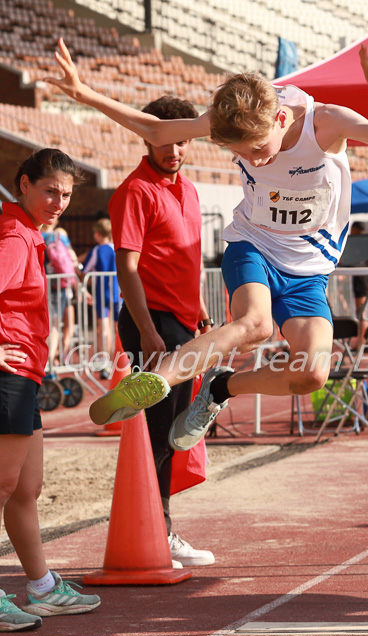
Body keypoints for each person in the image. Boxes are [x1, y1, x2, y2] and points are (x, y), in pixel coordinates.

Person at [47, 20, 368, 451]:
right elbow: (155, 130)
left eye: (258, 150)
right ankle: (155, 381)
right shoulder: (230, 119)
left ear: (281, 119)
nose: (253, 162)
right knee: (255, 324)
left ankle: (223, 387)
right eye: (241, 155)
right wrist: (83, 94)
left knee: (311, 374)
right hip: (254, 246)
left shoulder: (327, 124)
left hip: (309, 270)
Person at [108, 96, 215, 567]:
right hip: (152, 322)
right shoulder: (134, 192)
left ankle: (161, 528)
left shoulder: (188, 190)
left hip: (182, 320)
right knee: (157, 430)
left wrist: (200, 308)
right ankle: (156, 533)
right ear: (145, 136)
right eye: (164, 140)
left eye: (183, 140)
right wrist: (150, 331)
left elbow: (182, 259)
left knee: (174, 427)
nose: (174, 149)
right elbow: (127, 269)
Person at [0, 148, 101, 632]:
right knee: (1, 485)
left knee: (25, 488)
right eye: (49, 191)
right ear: (23, 185)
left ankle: (40, 587)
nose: (58, 201)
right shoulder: (15, 236)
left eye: (66, 194)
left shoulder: (29, 234)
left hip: (27, 374)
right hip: (8, 374)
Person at [81, 218, 120, 378]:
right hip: (119, 293)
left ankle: (104, 360)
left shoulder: (97, 250)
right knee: (117, 329)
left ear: (97, 234)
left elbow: (85, 271)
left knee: (102, 328)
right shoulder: (117, 249)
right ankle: (118, 361)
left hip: (102, 294)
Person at [42, 217, 79, 366]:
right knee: (56, 324)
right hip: (60, 284)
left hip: (42, 283)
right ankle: (53, 359)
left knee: (47, 324)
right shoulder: (60, 237)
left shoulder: (36, 235)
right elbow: (72, 258)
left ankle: (49, 358)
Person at [349, 221, 368, 350]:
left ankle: (361, 343)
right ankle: (365, 342)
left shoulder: (357, 243)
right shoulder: (366, 243)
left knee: (361, 312)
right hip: (366, 277)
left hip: (360, 278)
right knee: (362, 311)